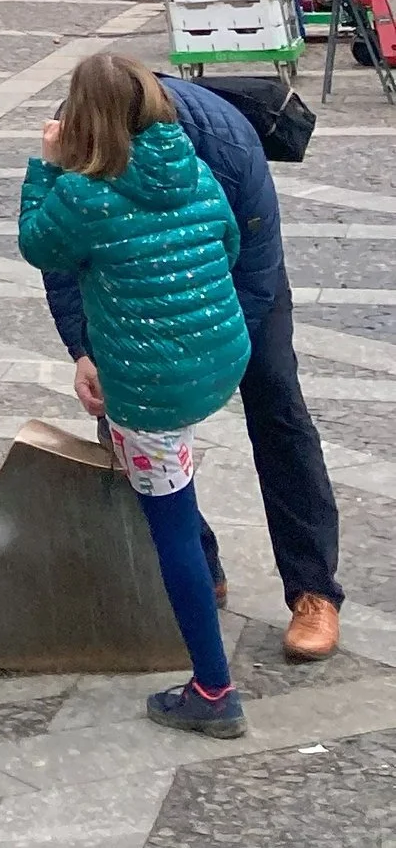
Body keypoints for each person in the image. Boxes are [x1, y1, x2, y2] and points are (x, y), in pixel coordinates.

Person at [39, 66, 341, 664]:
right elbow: (60, 255)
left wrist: (218, 349)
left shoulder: (227, 146)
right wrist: (84, 349)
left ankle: (313, 591)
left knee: (276, 400)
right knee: (118, 401)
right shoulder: (82, 130)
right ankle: (197, 568)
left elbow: (252, 262)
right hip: (130, 279)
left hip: (234, 281)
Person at [17, 52, 252, 735]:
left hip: (152, 387)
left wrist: (44, 164)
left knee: (170, 522)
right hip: (217, 358)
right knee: (172, 469)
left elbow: (38, 244)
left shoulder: (87, 194)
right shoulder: (194, 167)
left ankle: (213, 689)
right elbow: (231, 244)